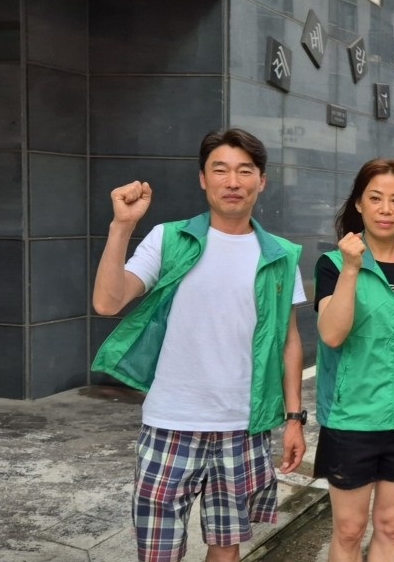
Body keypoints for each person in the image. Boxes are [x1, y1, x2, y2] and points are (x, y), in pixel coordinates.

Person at [91, 128, 307, 562]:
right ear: (203, 179)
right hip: (170, 423)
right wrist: (122, 226)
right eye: (220, 170)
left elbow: (288, 340)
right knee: (158, 552)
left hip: (243, 427)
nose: (233, 181)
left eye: (245, 171)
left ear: (261, 180)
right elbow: (107, 302)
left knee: (226, 549)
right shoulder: (169, 239)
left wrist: (294, 418)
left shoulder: (280, 254)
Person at [313, 159, 394, 562]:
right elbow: (332, 334)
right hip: (352, 420)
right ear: (359, 204)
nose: (386, 209)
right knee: (349, 531)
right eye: (375, 198)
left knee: (392, 526)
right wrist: (352, 269)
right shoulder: (333, 265)